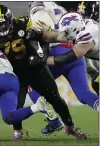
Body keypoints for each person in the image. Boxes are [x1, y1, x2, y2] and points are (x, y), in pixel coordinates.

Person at [0, 4, 87, 140]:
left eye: (5, 24)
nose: (2, 27)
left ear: (11, 20)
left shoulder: (23, 23)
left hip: (34, 69)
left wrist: (42, 54)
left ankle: (70, 126)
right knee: (15, 106)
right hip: (13, 75)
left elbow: (43, 37)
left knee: (55, 98)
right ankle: (18, 132)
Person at [27, 1, 99, 135]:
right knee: (84, 93)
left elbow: (45, 37)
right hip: (76, 54)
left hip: (60, 52)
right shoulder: (65, 12)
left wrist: (42, 59)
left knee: (31, 83)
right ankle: (70, 125)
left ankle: (54, 120)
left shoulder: (40, 11)